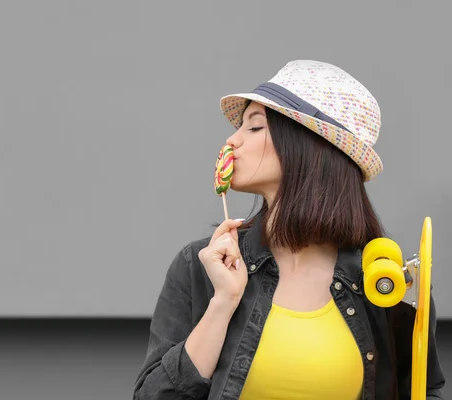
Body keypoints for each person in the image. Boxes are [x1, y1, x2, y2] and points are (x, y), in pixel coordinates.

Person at [133, 60, 446, 400]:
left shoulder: (386, 281)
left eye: (255, 128)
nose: (231, 140)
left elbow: (424, 390)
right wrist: (223, 302)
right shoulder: (202, 266)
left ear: (308, 146)